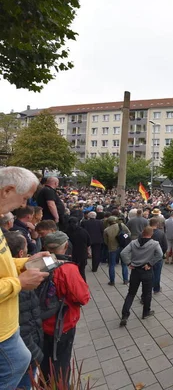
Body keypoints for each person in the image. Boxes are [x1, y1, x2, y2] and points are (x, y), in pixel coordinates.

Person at [0, 166, 49, 390]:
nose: (23, 206)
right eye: (24, 198)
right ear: (7, 190)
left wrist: (26, 263)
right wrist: (19, 283)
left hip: (8, 325)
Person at [39, 231, 90, 383]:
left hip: (39, 322)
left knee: (44, 361)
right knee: (60, 363)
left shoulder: (36, 263)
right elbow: (83, 297)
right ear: (66, 246)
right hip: (61, 324)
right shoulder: (67, 269)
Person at [5, 232, 43, 390]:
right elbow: (29, 320)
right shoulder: (23, 283)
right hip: (21, 342)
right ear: (21, 252)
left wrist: (27, 262)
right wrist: (19, 282)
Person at [119, 227, 164, 326]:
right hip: (146, 270)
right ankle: (146, 313)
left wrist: (128, 263)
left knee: (131, 293)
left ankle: (125, 315)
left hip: (135, 270)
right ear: (151, 234)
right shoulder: (154, 244)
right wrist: (150, 263)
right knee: (147, 293)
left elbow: (123, 253)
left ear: (142, 233)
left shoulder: (133, 242)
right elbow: (160, 254)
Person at [103, 216, 130, 286]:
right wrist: (124, 237)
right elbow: (129, 233)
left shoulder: (106, 230)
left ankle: (112, 281)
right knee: (124, 264)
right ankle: (125, 280)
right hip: (122, 247)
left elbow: (106, 242)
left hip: (112, 248)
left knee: (112, 265)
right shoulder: (121, 225)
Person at [64, 217, 91, 281]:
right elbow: (88, 243)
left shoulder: (66, 232)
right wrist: (88, 252)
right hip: (82, 254)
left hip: (70, 255)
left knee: (71, 272)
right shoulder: (83, 231)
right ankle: (83, 285)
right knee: (81, 271)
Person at [149, 217, 167, 294]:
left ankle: (148, 288)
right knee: (157, 273)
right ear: (157, 224)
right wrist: (162, 253)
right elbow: (165, 246)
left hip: (148, 256)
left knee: (149, 273)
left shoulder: (146, 232)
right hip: (158, 256)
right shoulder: (161, 233)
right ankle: (156, 288)